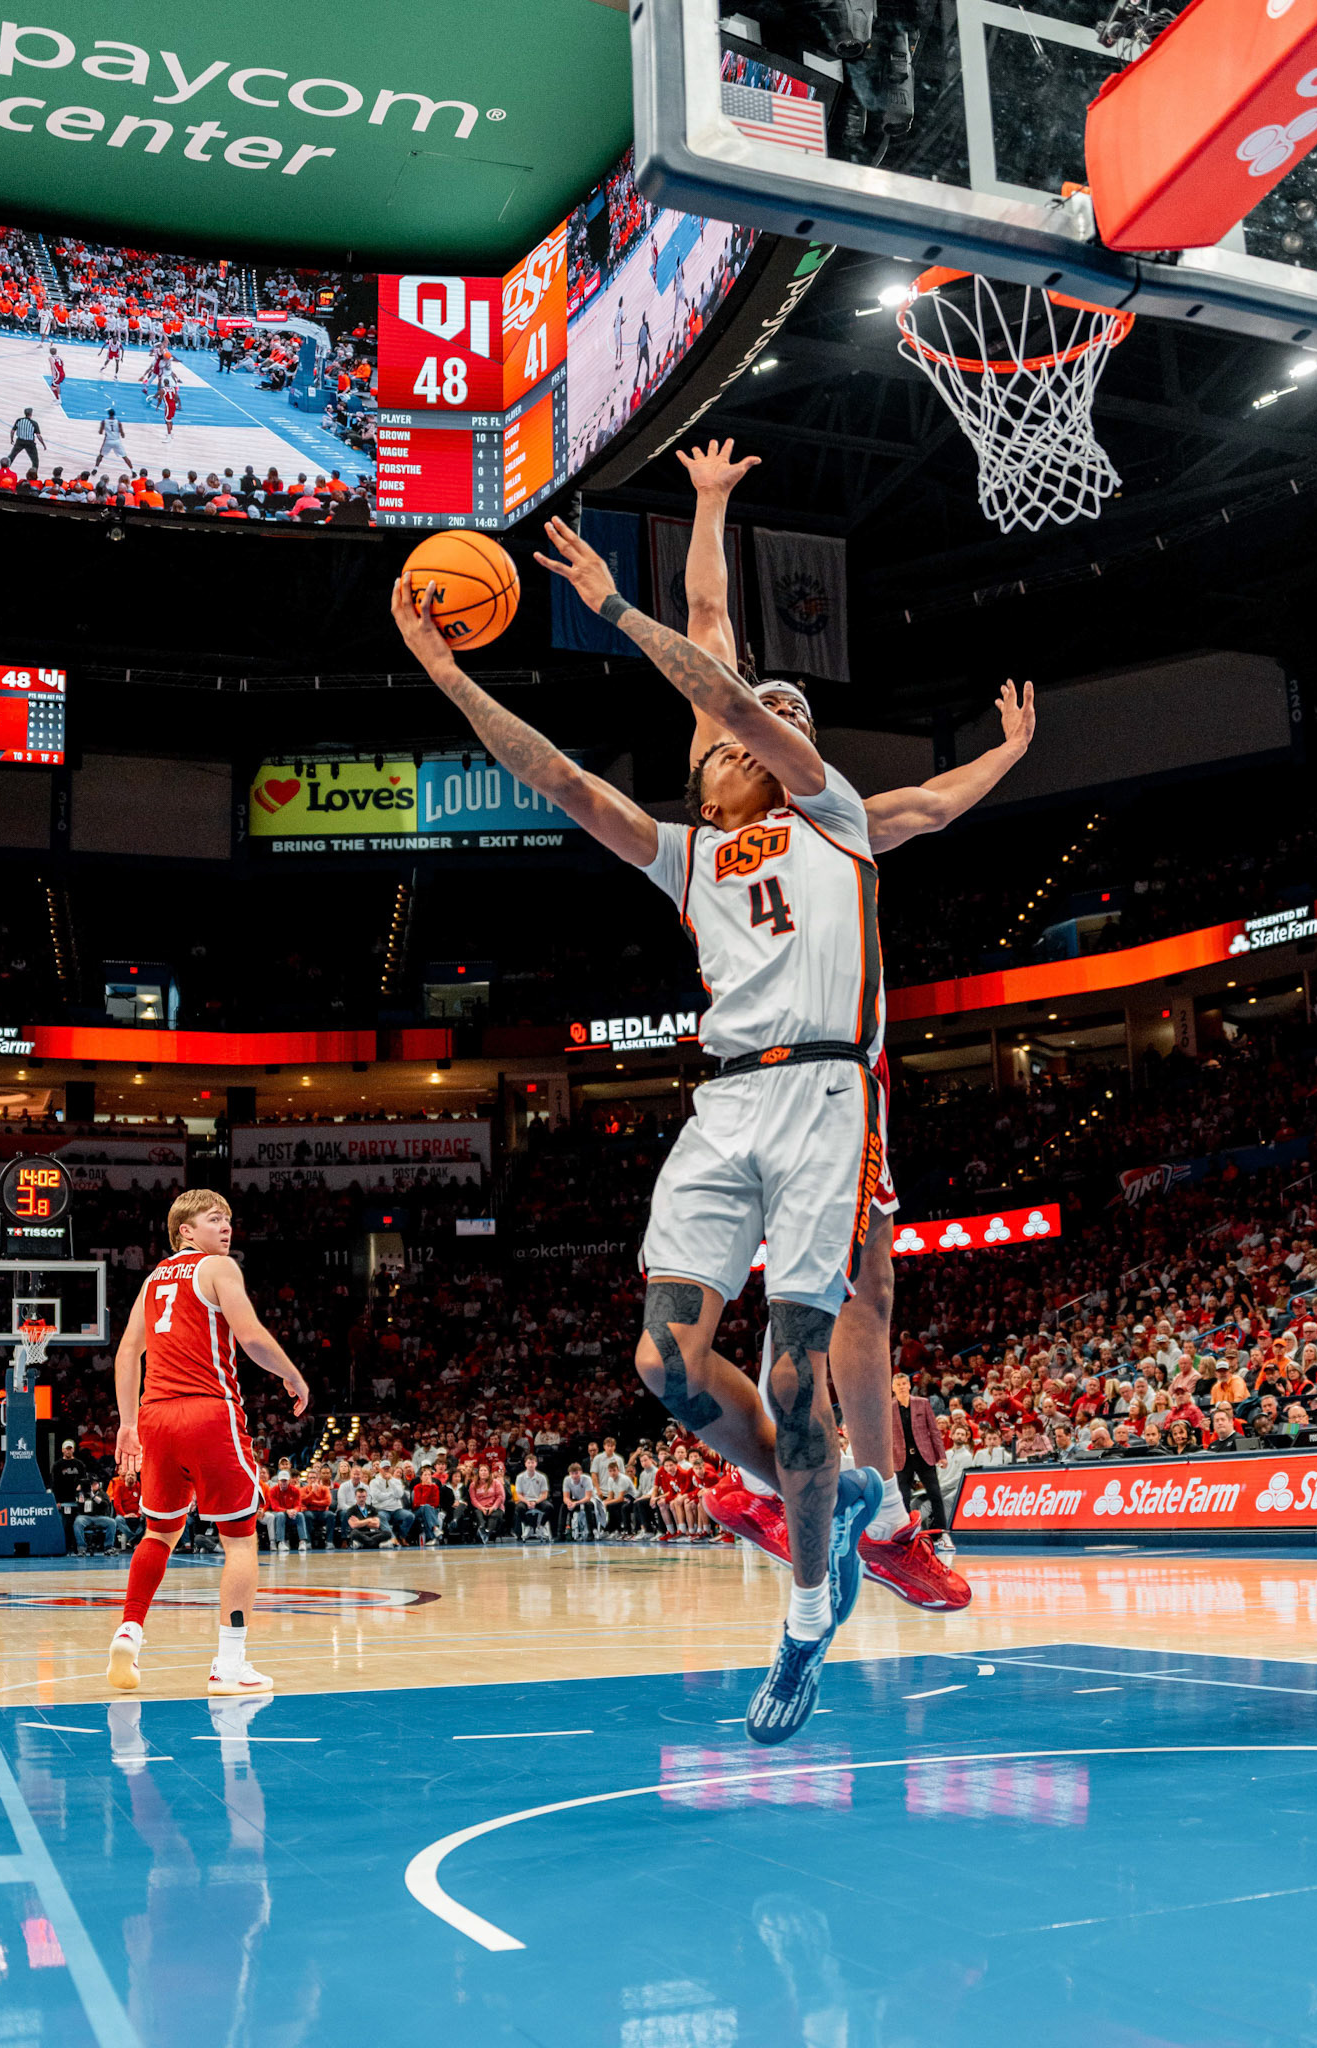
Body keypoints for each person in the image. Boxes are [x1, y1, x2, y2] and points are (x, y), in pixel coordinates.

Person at [395, 522, 891, 1748]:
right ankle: (829, 1494)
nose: (729, 744)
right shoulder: (687, 857)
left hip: (826, 1096)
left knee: (793, 1368)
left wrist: (618, 606)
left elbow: (721, 676)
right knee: (663, 1368)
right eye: (718, 745)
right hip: (727, 1100)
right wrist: (447, 670)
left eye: (752, 733)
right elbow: (559, 777)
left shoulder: (837, 814)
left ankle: (807, 1604)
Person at [674, 440, 1031, 1611]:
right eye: (754, 710)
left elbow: (931, 800)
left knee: (839, 1301)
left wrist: (1008, 754)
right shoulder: (737, 804)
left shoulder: (838, 813)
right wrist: (712, 504)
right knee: (860, 1292)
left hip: (766, 1083)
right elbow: (709, 626)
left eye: (787, 711)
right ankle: (863, 1499)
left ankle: (809, 1490)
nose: (765, 714)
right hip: (804, 1079)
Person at [105, 1188, 310, 1697]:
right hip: (207, 1412)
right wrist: (292, 1374)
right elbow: (252, 1335)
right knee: (240, 1540)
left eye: (229, 1220)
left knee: (160, 1534)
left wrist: (127, 1423)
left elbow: (128, 1353)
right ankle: (230, 1664)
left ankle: (129, 1631)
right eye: (215, 1219)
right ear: (185, 1232)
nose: (227, 1227)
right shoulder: (219, 1268)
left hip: (154, 1418)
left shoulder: (153, 1279)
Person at [891, 1370, 950, 1535]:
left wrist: (941, 1456)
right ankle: (906, 1533)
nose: (902, 1387)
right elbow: (885, 1438)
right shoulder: (888, 1408)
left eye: (904, 1384)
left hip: (924, 1456)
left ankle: (940, 1532)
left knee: (935, 1495)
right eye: (898, 1385)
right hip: (901, 1458)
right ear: (893, 1388)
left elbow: (934, 1431)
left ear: (909, 1385)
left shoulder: (922, 1403)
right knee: (903, 1498)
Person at [512, 1452, 552, 1541]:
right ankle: (527, 1525)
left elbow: (545, 1494)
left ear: (536, 1464)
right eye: (529, 1463)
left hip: (538, 1500)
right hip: (525, 1500)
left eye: (532, 1462)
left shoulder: (542, 1477)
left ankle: (541, 1526)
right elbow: (519, 1494)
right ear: (525, 1464)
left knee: (549, 1507)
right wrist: (527, 1502)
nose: (531, 1465)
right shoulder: (520, 1477)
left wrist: (536, 1502)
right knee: (519, 1508)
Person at [265, 1469, 306, 1554]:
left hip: (291, 1514)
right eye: (282, 1481)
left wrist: (295, 1510)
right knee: (280, 1515)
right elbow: (275, 1507)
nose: (283, 1483)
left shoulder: (295, 1490)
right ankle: (281, 1542)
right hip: (279, 1513)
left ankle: (302, 1541)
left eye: (285, 1481)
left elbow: (298, 1504)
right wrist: (287, 1511)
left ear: (289, 1481)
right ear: (278, 1481)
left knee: (300, 1515)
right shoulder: (273, 1491)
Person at [74, 1476, 119, 1554]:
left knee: (112, 1522)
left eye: (95, 1484)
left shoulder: (102, 1493)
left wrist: (93, 1496)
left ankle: (109, 1547)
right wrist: (80, 1495)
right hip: (86, 1517)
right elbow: (79, 1509)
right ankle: (81, 1547)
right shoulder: (83, 1493)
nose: (94, 1486)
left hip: (100, 1517)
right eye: (92, 1484)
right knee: (78, 1521)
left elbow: (105, 1504)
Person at [5, 407, 44, 474]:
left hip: (20, 441)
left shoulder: (19, 420)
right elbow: (38, 436)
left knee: (12, 456)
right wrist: (43, 444)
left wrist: (11, 439)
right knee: (35, 460)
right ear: (31, 414)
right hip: (30, 443)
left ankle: (5, 470)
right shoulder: (34, 423)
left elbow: (12, 431)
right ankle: (34, 475)